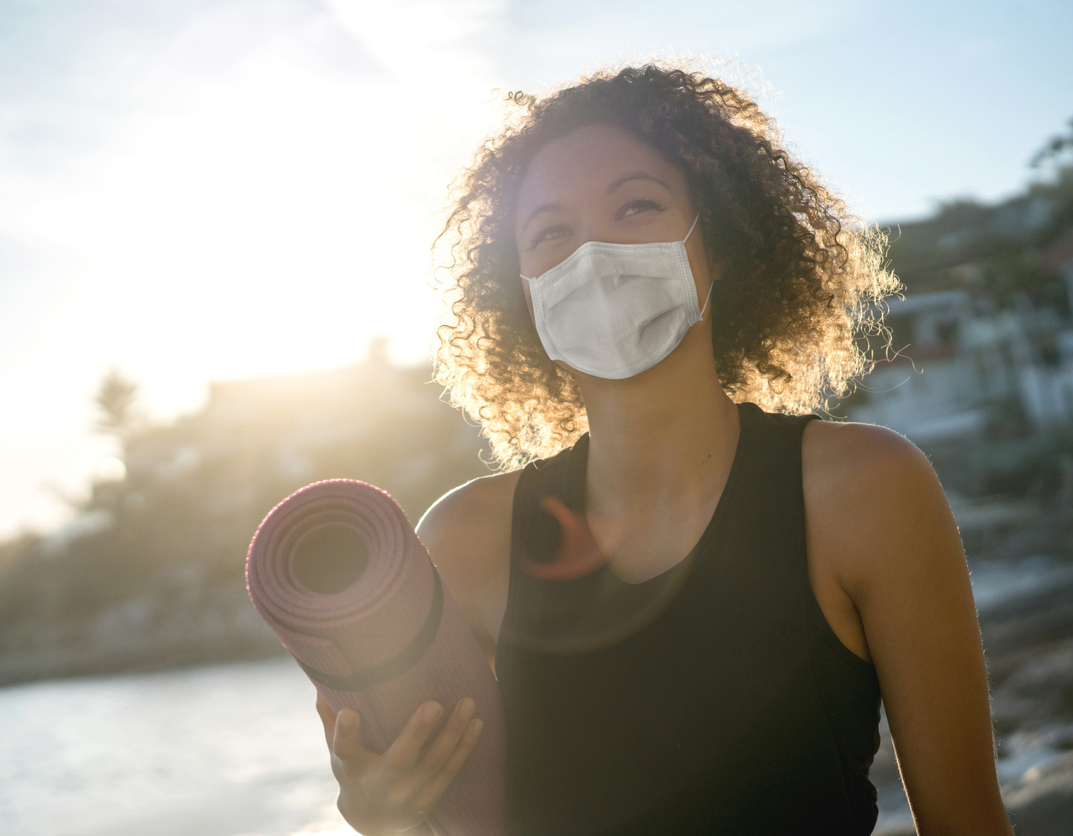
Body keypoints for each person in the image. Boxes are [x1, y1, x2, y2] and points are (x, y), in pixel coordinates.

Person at [314, 62, 1013, 835]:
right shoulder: (462, 541)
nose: (592, 254)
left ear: (717, 241)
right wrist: (388, 820)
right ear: (519, 289)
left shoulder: (864, 490)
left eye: (636, 205)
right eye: (550, 231)